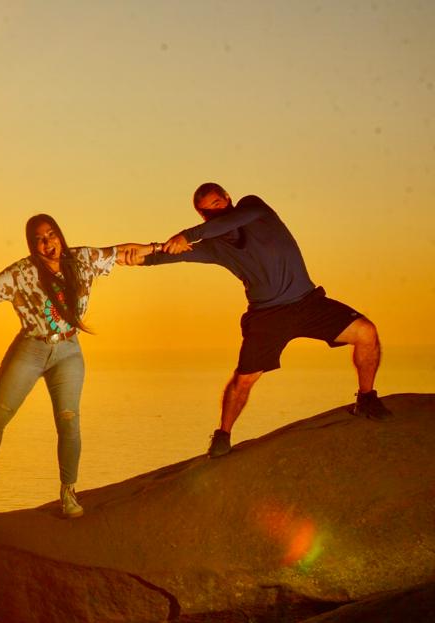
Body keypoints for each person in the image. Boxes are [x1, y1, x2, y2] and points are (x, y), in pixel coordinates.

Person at [130, 182, 391, 457]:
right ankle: (223, 434)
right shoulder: (215, 246)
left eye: (217, 204)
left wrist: (187, 235)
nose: (215, 213)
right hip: (267, 317)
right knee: (243, 380)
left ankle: (366, 399)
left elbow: (231, 220)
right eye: (207, 212)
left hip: (309, 303)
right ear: (202, 216)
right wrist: (132, 257)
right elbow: (161, 256)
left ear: (228, 198)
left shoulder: (253, 207)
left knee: (366, 333)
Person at [0, 214, 143, 524]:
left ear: (60, 235)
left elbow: (121, 252)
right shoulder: (23, 272)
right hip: (31, 348)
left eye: (51, 235)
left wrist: (160, 247)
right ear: (33, 245)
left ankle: (68, 491)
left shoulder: (82, 259)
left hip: (68, 351)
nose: (48, 242)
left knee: (69, 421)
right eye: (40, 239)